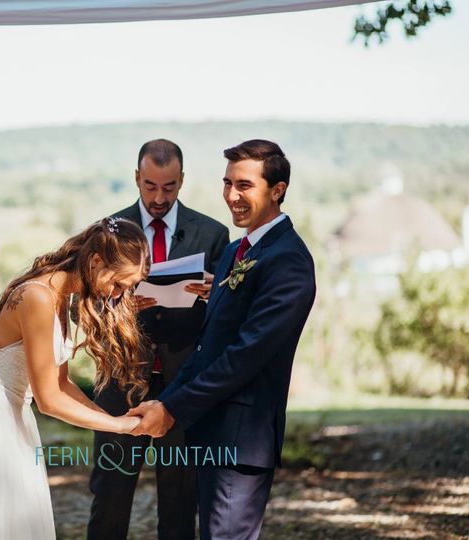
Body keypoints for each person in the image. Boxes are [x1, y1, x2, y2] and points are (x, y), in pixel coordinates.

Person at [0, 217, 151, 540]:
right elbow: (49, 399)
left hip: (14, 419)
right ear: (96, 262)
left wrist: (114, 419)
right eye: (120, 283)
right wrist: (123, 427)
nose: (119, 294)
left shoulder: (60, 297)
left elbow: (63, 383)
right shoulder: (38, 298)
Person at [129, 139, 317, 540]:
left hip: (241, 438)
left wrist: (173, 408)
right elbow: (207, 348)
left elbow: (244, 356)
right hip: (211, 431)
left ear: (277, 190)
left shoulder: (288, 260)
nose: (232, 196)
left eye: (245, 185)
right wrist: (163, 402)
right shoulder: (236, 252)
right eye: (228, 183)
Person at [87, 139, 230, 540]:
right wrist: (120, 304)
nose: (159, 197)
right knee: (110, 497)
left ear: (182, 180)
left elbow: (228, 318)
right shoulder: (108, 232)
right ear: (137, 177)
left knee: (181, 499)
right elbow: (86, 307)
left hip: (183, 384)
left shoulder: (213, 234)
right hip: (121, 383)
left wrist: (216, 293)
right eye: (150, 186)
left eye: (169, 187)